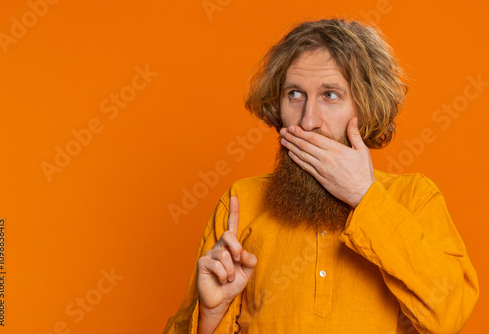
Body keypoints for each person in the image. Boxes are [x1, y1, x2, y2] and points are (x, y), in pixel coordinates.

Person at [163, 18, 479, 333]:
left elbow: (449, 317)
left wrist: (363, 196)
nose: (308, 120)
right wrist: (210, 313)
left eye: (330, 95)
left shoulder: (414, 198)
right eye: (295, 95)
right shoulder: (238, 203)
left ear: (366, 107)